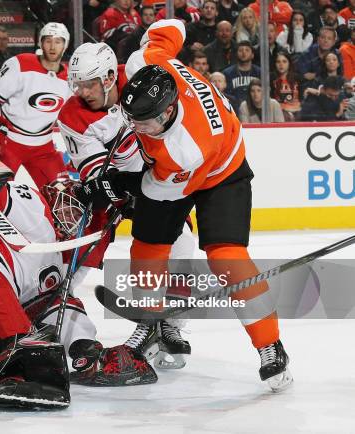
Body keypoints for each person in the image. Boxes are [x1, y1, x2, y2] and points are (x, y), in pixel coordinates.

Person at [80, 19, 293, 391]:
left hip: (221, 171)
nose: (135, 128)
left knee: (227, 256)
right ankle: (149, 324)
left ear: (165, 114)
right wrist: (144, 37)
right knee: (147, 245)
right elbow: (171, 27)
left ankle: (270, 346)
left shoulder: (186, 149)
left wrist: (119, 184)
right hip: (175, 170)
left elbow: (160, 190)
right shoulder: (147, 62)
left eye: (142, 124)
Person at [0, 147, 158, 407]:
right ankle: (20, 372)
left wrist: (86, 349)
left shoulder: (54, 258)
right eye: (65, 201)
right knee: (38, 363)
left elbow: (57, 306)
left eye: (77, 211)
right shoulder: (36, 208)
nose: (70, 213)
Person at [58, 42, 197, 372]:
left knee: (180, 243)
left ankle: (166, 325)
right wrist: (111, 188)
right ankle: (51, 310)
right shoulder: (71, 115)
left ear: (109, 77)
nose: (82, 91)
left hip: (158, 176)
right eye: (76, 83)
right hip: (117, 186)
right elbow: (97, 175)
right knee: (80, 253)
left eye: (89, 83)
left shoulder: (137, 80)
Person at [0, 22, 72, 189]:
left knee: (64, 200)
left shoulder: (71, 78)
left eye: (58, 41)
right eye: (48, 40)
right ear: (40, 43)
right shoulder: (20, 64)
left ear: (65, 45)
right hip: (9, 143)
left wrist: (77, 151)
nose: (52, 46)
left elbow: (73, 117)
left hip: (44, 148)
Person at [223, 40, 261, 109]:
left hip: (255, 109)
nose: (244, 53)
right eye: (240, 50)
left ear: (252, 55)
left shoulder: (259, 72)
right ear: (236, 54)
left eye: (247, 50)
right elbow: (226, 95)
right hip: (234, 109)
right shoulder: (227, 73)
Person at [271, 51, 304, 120]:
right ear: (275, 64)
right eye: (278, 62)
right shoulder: (271, 78)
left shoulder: (298, 78)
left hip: (297, 111)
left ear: (289, 63)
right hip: (279, 112)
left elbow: (301, 98)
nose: (281, 64)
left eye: (284, 61)